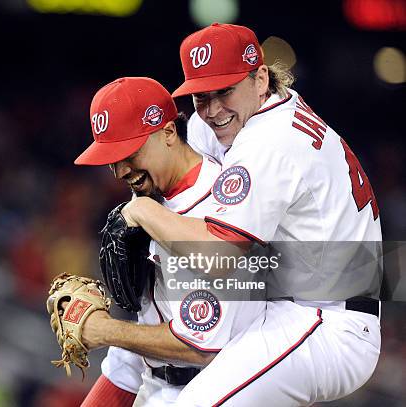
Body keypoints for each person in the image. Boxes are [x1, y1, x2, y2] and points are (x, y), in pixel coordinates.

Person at [111, 23, 382, 405]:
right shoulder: (258, 110)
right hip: (289, 303)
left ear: (259, 78)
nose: (213, 109)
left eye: (225, 91)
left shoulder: (269, 142)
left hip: (327, 320)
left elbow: (219, 258)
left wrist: (139, 210)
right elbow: (182, 146)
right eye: (201, 97)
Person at [73, 77, 266, 406]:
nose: (120, 171)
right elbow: (134, 358)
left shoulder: (221, 211)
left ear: (168, 132)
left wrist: (102, 330)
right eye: (111, 159)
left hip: (222, 393)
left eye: (129, 153)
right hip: (160, 387)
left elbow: (199, 346)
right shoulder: (146, 206)